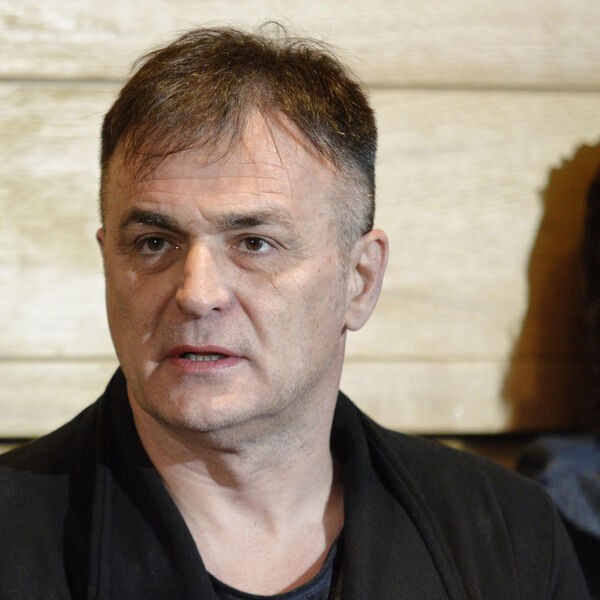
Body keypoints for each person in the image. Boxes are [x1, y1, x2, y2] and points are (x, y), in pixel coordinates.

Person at [0, 27, 589, 599]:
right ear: (109, 262)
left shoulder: (509, 537)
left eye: (255, 243)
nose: (197, 293)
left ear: (360, 281)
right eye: (154, 242)